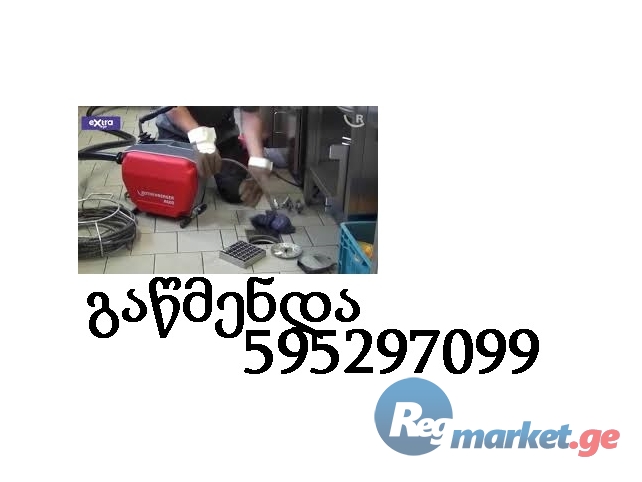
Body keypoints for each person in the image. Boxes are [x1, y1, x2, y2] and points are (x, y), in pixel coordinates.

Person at [156, 107, 273, 207]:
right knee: (175, 194)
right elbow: (174, 107)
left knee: (236, 191)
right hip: (177, 131)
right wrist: (201, 139)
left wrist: (257, 159)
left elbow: (251, 114)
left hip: (222, 133)